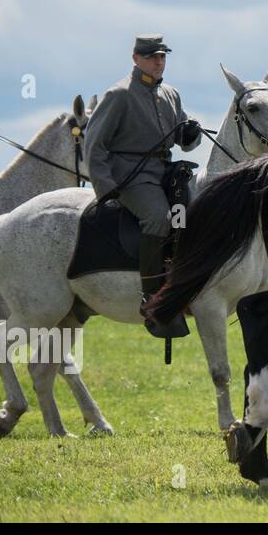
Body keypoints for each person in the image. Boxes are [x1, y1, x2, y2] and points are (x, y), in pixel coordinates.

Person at [84, 35, 204, 339]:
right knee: (159, 218)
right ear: (136, 58)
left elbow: (184, 143)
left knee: (192, 216)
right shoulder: (118, 95)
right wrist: (105, 186)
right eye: (152, 57)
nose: (159, 62)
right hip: (130, 175)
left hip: (164, 170)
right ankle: (152, 295)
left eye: (162, 57)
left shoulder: (171, 94)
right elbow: (93, 146)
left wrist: (192, 133)